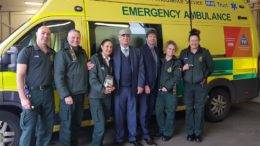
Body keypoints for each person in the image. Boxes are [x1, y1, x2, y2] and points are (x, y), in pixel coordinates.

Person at [17, 26, 55, 146]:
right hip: (32, 95)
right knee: (29, 128)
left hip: (48, 94)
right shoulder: (27, 51)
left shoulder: (52, 53)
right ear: (37, 34)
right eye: (43, 33)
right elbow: (20, 76)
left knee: (47, 127)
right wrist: (23, 98)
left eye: (48, 34)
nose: (46, 36)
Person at [54, 29, 89, 146]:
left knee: (76, 123)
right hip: (69, 96)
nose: (75, 40)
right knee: (66, 124)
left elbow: (84, 67)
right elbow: (58, 77)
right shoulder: (62, 54)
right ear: (68, 39)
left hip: (81, 94)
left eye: (78, 37)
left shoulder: (82, 52)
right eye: (73, 37)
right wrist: (65, 95)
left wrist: (89, 65)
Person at [179, 28, 214, 142]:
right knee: (189, 109)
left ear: (199, 41)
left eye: (196, 40)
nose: (194, 42)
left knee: (199, 109)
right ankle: (190, 133)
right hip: (188, 86)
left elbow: (211, 67)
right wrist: (182, 70)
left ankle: (198, 133)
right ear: (188, 41)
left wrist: (205, 76)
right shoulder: (184, 53)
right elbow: (179, 68)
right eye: (192, 40)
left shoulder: (204, 52)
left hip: (200, 86)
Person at [113, 28, 145, 146]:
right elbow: (102, 59)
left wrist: (140, 85)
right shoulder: (113, 50)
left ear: (130, 38)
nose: (125, 38)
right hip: (118, 90)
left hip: (132, 88)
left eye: (127, 36)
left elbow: (141, 69)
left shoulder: (136, 51)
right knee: (119, 115)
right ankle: (119, 139)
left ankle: (133, 138)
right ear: (119, 37)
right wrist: (90, 63)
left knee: (132, 114)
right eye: (123, 36)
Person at [89, 39, 115, 146]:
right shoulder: (94, 59)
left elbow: (113, 77)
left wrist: (113, 87)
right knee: (100, 126)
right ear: (101, 46)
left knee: (103, 123)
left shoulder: (111, 60)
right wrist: (103, 89)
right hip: (96, 97)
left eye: (111, 47)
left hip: (107, 97)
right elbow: (92, 79)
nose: (109, 48)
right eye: (107, 46)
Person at [138, 28, 162, 145]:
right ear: (146, 38)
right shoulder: (141, 50)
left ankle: (145, 131)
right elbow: (141, 69)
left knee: (150, 109)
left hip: (155, 86)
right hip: (146, 86)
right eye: (150, 36)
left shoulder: (157, 50)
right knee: (144, 110)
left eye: (154, 37)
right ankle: (146, 135)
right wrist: (145, 84)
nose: (153, 38)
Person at [155, 40, 181, 141]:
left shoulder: (177, 62)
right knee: (158, 111)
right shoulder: (160, 61)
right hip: (159, 92)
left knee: (170, 113)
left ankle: (168, 133)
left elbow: (177, 77)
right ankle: (162, 129)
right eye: (169, 48)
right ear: (166, 49)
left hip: (170, 92)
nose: (171, 50)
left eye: (173, 49)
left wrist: (167, 86)